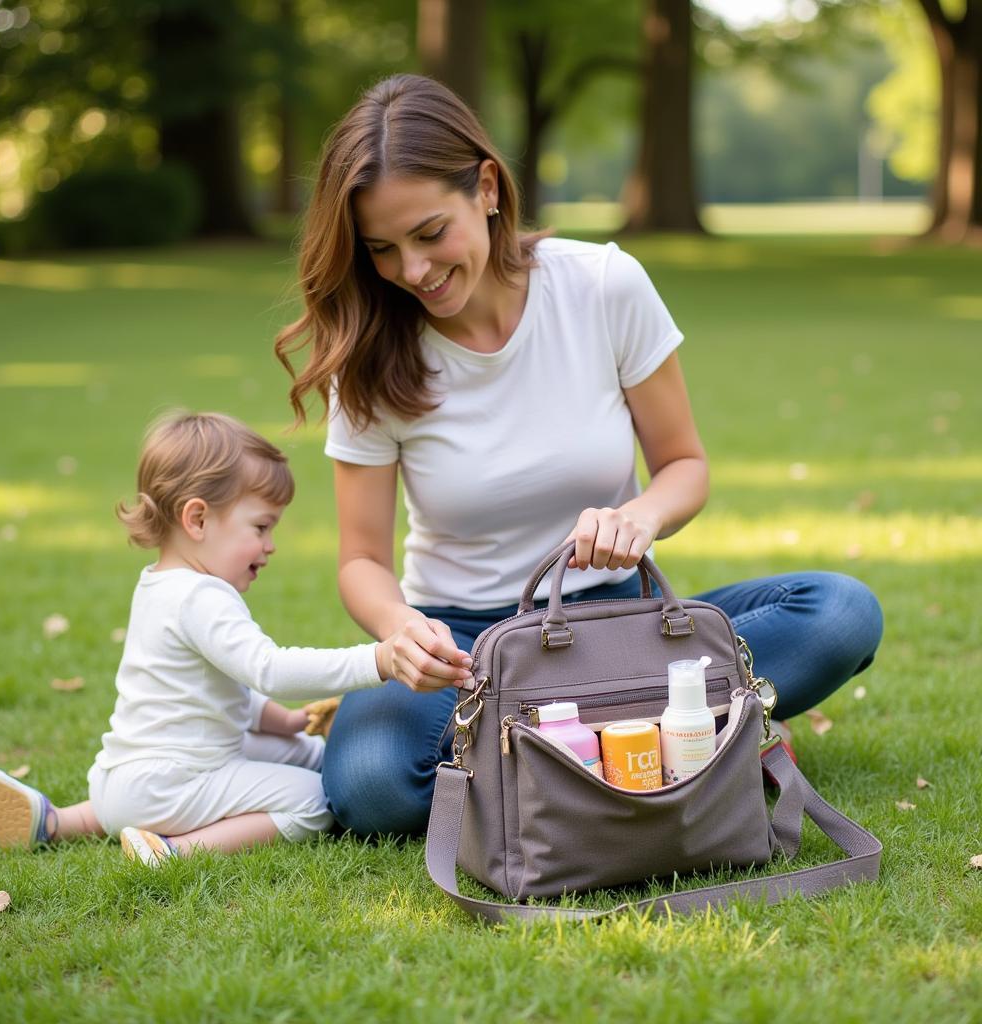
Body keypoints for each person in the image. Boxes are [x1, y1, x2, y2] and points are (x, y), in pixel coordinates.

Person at [274, 74, 884, 837]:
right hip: (462, 649)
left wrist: (640, 516)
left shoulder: (601, 286)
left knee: (840, 613)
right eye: (382, 251)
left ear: (487, 188)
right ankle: (658, 741)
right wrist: (400, 629)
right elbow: (360, 559)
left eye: (430, 233)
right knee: (370, 787)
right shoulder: (371, 353)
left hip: (615, 626)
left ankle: (546, 747)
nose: (414, 271)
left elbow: (684, 466)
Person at [0, 412, 464, 865]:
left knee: (317, 755)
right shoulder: (203, 598)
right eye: (261, 526)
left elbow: (219, 688)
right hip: (175, 785)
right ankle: (172, 849)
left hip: (118, 777)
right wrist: (377, 660)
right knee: (318, 800)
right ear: (197, 519)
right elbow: (268, 670)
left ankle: (60, 821)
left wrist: (290, 721)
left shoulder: (158, 584)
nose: (270, 545)